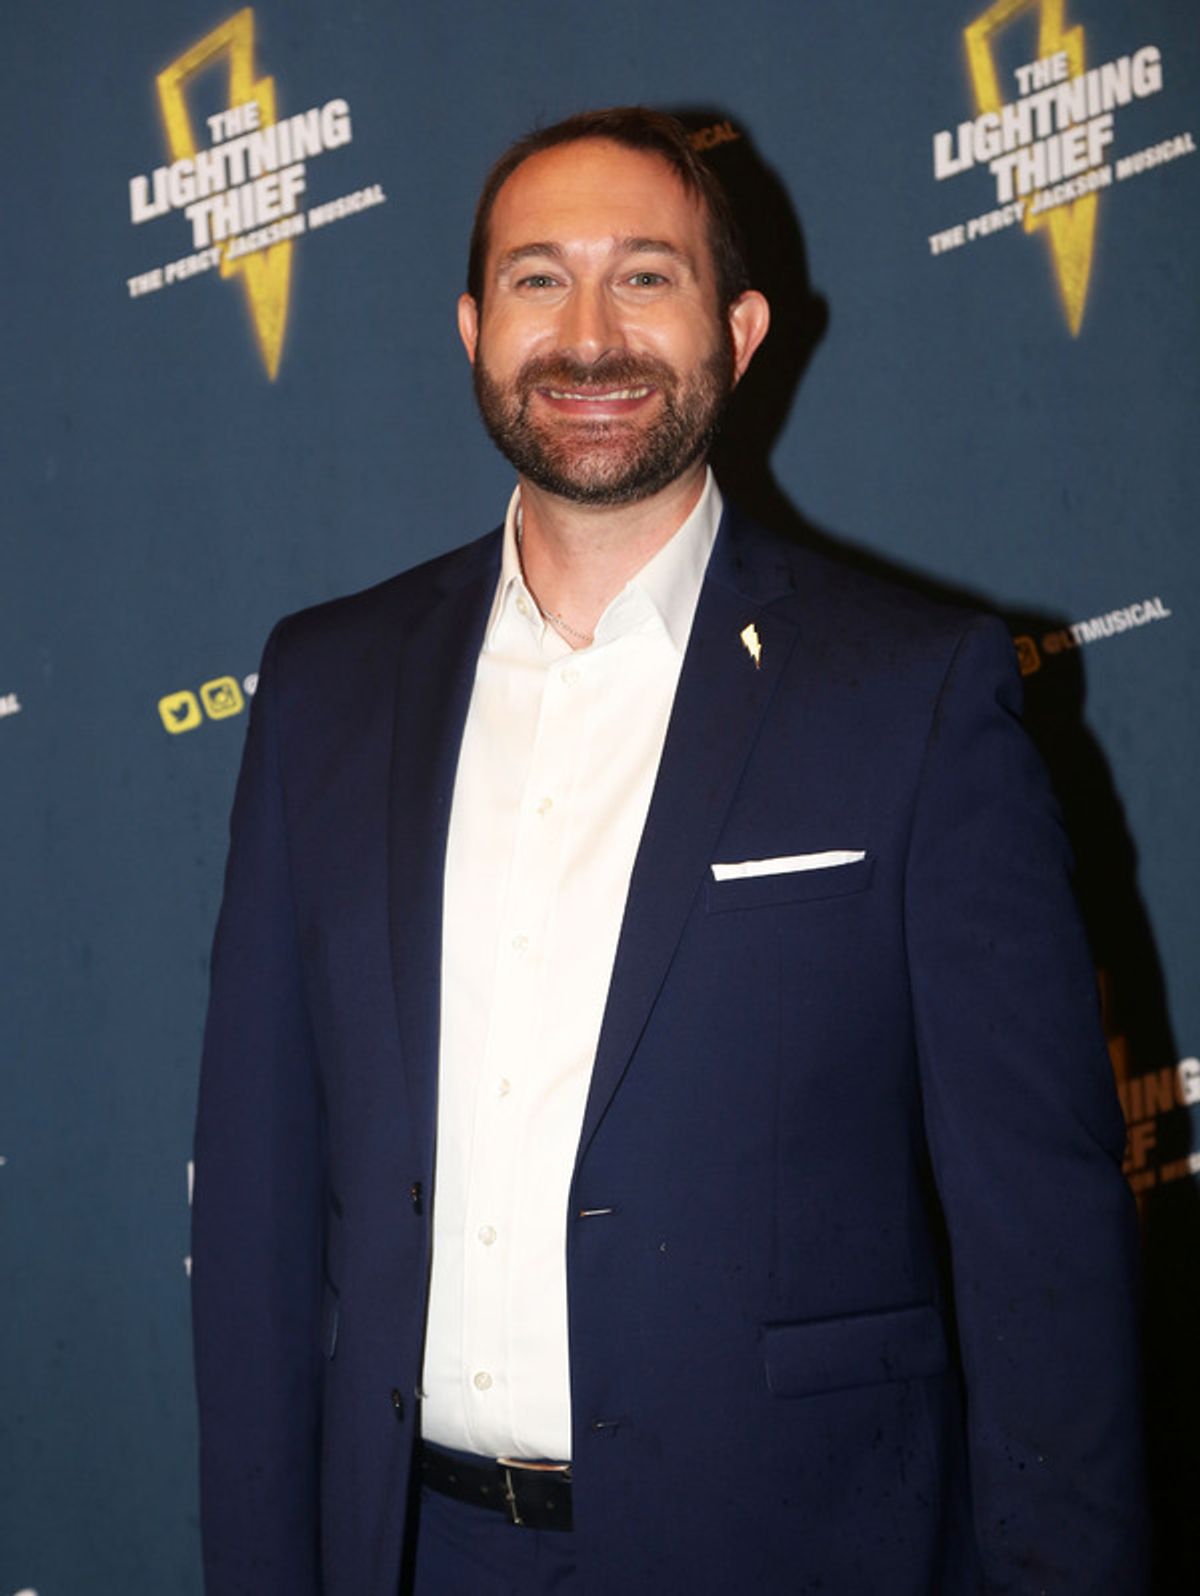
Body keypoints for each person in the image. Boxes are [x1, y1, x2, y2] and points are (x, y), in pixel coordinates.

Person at [192, 108, 1146, 1595]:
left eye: (646, 278)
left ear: (741, 328)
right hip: (414, 1554)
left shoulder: (914, 693)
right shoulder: (324, 686)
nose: (588, 336)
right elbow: (256, 1206)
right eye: (535, 281)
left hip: (801, 1551)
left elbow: (1044, 1244)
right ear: (470, 325)